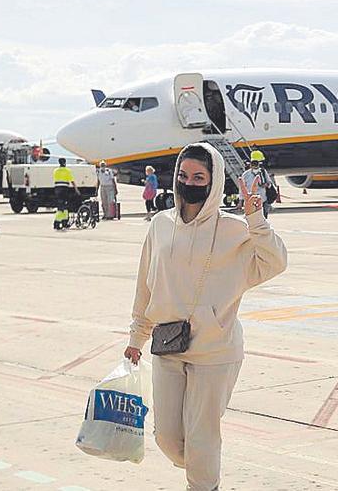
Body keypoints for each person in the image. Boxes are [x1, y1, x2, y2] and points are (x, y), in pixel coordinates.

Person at [123, 143, 287, 491]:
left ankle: (203, 480)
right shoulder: (160, 225)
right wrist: (137, 336)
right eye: (183, 176)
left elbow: (275, 261)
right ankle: (203, 463)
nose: (189, 183)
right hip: (168, 345)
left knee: (202, 436)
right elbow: (145, 284)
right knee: (166, 436)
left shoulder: (233, 229)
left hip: (216, 350)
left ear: (213, 182)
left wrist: (255, 215)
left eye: (199, 177)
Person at [240, 151, 274, 218]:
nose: (255, 167)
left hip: (263, 198)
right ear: (251, 165)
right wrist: (240, 200)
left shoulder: (263, 172)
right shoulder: (246, 175)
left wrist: (266, 185)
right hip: (251, 200)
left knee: (263, 217)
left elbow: (269, 182)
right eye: (254, 165)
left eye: (256, 165)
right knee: (252, 217)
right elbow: (242, 188)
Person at [53, 158, 75, 231]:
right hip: (64, 189)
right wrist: (77, 190)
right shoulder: (67, 171)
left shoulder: (55, 171)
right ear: (65, 163)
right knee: (62, 208)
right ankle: (57, 222)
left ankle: (65, 222)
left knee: (63, 207)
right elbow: (72, 181)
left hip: (57, 189)